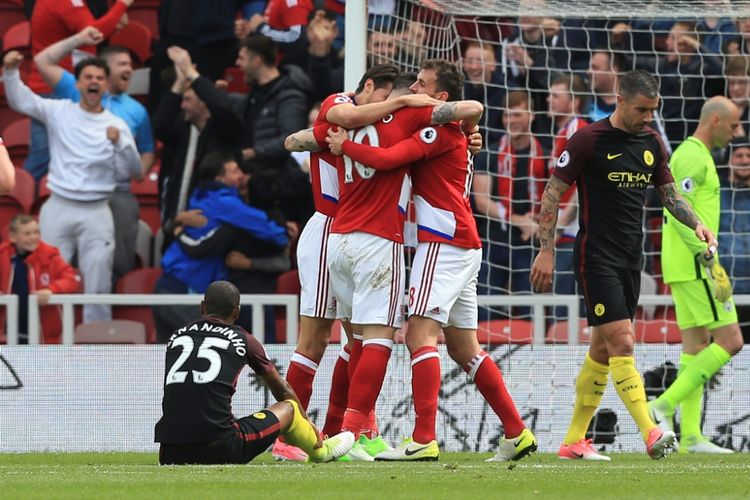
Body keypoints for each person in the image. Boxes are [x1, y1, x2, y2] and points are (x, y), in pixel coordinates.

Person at [325, 62, 537, 463]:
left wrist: (345, 147)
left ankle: (423, 438)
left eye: (422, 84)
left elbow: (390, 158)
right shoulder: (454, 132)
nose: (413, 87)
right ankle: (516, 431)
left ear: (440, 99)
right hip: (464, 243)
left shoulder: (435, 131)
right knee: (464, 348)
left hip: (443, 244)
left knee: (419, 334)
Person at [530, 69, 716, 461]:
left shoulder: (651, 142)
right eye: (642, 109)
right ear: (620, 98)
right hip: (596, 256)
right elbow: (552, 193)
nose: (648, 116)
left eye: (654, 109)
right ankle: (651, 431)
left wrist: (697, 222)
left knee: (601, 350)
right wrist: (545, 250)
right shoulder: (587, 140)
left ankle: (573, 441)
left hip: (633, 259)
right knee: (623, 342)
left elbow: (668, 195)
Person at [279, 65, 439, 462]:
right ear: (367, 87)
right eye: (382, 99)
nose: (386, 109)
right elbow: (304, 135)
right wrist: (401, 102)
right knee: (314, 340)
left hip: (356, 230)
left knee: (359, 341)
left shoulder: (379, 127)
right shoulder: (341, 103)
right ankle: (287, 438)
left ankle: (347, 431)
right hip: (329, 228)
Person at [3, 51, 141, 323]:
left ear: (105, 84)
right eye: (88, 77)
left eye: (100, 78)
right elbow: (22, 100)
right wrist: (10, 72)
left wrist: (121, 145)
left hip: (97, 209)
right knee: (44, 275)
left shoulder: (117, 126)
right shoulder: (60, 111)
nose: (94, 82)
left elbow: (134, 172)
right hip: (59, 205)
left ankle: (96, 344)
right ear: (77, 84)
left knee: (99, 279)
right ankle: (43, 343)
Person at [154, 280, 354, 465]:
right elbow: (283, 391)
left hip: (170, 452)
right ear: (237, 311)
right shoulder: (243, 339)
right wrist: (309, 425)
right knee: (290, 408)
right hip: (221, 448)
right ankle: (320, 449)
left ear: (202, 307)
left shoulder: (177, 337)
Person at [648, 97, 744, 454]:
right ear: (715, 121)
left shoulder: (699, 156)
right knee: (731, 341)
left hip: (689, 263)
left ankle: (691, 435)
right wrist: (705, 255)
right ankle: (662, 405)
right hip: (695, 262)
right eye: (734, 125)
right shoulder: (690, 155)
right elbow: (675, 210)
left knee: (696, 348)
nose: (738, 133)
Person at [34, 26, 156, 285]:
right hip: (74, 192)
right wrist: (78, 39)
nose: (130, 70)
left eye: (131, 65)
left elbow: (147, 150)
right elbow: (43, 61)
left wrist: (139, 170)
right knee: (61, 262)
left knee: (116, 262)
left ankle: (106, 316)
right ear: (105, 69)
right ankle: (61, 316)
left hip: (119, 193)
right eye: (123, 64)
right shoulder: (73, 90)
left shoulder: (136, 110)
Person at [154, 151, 288, 342]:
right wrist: (283, 231)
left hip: (172, 281)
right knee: (196, 346)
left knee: (168, 354)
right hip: (185, 285)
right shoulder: (226, 204)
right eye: (234, 171)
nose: (241, 175)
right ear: (219, 177)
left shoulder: (202, 196)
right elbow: (273, 232)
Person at [26, 0, 133, 181]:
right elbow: (94, 32)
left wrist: (113, 22)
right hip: (56, 88)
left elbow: (81, 36)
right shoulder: (66, 1)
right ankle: (25, 198)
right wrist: (122, 3)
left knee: (55, 154)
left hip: (55, 85)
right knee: (44, 157)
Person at [0, 215, 80, 344]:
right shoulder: (2, 255)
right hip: (9, 332)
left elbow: (71, 279)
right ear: (13, 237)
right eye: (27, 233)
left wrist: (51, 289)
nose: (33, 237)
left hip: (44, 334)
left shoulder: (50, 255)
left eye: (36, 232)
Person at [720, 138, 750, 344]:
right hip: (724, 286)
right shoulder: (716, 193)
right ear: (728, 160)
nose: (744, 160)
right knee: (723, 347)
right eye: (739, 155)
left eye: (748, 156)